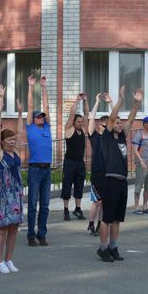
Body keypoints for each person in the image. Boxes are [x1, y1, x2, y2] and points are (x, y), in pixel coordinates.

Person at [96, 86, 142, 262]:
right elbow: (113, 116)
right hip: (110, 181)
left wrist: (136, 103)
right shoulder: (106, 137)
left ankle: (113, 246)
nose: (120, 123)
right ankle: (103, 248)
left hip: (122, 181)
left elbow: (130, 118)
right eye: (117, 122)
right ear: (109, 124)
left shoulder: (122, 137)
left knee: (117, 219)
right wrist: (120, 101)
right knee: (107, 218)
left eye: (120, 123)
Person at [0, 86, 24, 273]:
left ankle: (9, 259)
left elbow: (19, 133)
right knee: (3, 229)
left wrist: (20, 113)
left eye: (13, 140)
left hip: (16, 194)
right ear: (3, 142)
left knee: (14, 229)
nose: (12, 141)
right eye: (8, 139)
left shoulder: (16, 153)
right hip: (4, 196)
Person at [25, 75, 52, 247]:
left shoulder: (47, 127)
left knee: (45, 206)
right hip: (34, 170)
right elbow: (30, 106)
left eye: (42, 117)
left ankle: (42, 234)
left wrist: (43, 87)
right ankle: (30, 234)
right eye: (38, 117)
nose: (41, 118)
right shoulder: (31, 128)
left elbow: (47, 107)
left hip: (47, 170)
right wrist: (31, 86)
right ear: (33, 120)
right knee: (33, 205)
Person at [61, 93, 88, 222]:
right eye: (78, 121)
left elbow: (87, 115)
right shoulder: (69, 129)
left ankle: (78, 208)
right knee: (67, 186)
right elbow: (72, 114)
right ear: (74, 122)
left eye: (81, 122)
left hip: (80, 163)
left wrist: (86, 101)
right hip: (69, 163)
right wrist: (77, 100)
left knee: (79, 187)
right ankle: (66, 210)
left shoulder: (82, 130)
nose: (80, 123)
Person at [86, 94, 108, 237]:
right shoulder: (95, 136)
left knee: (104, 201)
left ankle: (101, 223)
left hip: (108, 172)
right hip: (97, 171)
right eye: (105, 125)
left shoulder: (110, 138)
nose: (107, 128)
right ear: (100, 125)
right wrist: (97, 102)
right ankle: (91, 225)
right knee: (97, 201)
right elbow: (91, 118)